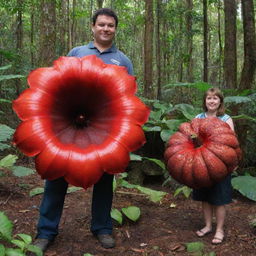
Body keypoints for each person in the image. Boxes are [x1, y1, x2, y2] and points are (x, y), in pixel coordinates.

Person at [33, 8, 134, 253]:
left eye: (110, 25)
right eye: (101, 24)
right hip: (64, 127)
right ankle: (46, 232)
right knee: (55, 180)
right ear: (93, 27)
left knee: (104, 182)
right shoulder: (77, 53)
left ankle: (102, 228)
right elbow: (58, 81)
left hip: (103, 131)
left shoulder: (123, 60)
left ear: (115, 29)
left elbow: (128, 98)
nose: (105, 29)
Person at [193, 87, 235, 245]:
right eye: (209, 98)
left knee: (219, 198)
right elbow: (192, 137)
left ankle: (220, 230)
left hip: (221, 165)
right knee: (205, 197)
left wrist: (232, 163)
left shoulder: (226, 119)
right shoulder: (198, 117)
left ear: (220, 101)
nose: (212, 101)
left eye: (215, 98)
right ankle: (208, 226)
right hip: (201, 164)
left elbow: (232, 142)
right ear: (205, 101)